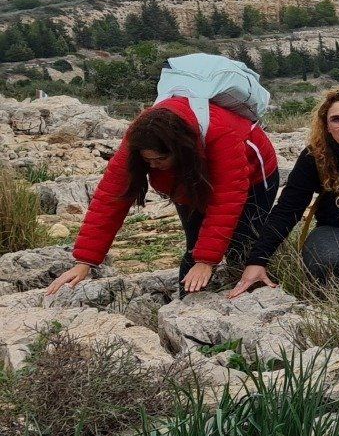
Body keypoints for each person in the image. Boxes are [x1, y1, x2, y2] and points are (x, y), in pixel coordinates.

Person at [47, 97, 279, 298]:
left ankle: (250, 296)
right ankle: (188, 303)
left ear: (179, 150)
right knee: (195, 245)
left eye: (159, 160)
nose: (153, 167)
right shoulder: (140, 138)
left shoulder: (222, 135)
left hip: (254, 177)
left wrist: (207, 260)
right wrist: (84, 261)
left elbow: (226, 200)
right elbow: (110, 198)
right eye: (147, 162)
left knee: (243, 244)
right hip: (188, 179)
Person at [231, 84, 339, 295]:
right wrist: (258, 259)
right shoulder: (315, 156)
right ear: (326, 126)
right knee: (326, 259)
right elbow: (288, 209)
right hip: (338, 229)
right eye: (337, 119)